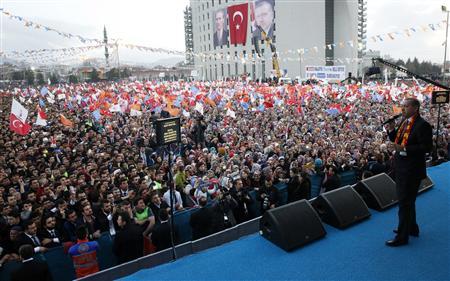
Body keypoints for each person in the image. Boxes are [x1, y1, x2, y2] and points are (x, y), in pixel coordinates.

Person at [385, 98, 433, 247]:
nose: (402, 109)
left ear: (415, 108)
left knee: (404, 203)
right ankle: (412, 228)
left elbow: (426, 148)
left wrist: (404, 149)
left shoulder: (422, 125)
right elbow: (398, 141)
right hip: (402, 167)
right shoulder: (404, 122)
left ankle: (402, 236)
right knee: (408, 202)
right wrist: (392, 130)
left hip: (411, 170)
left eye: (406, 106)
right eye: (402, 106)